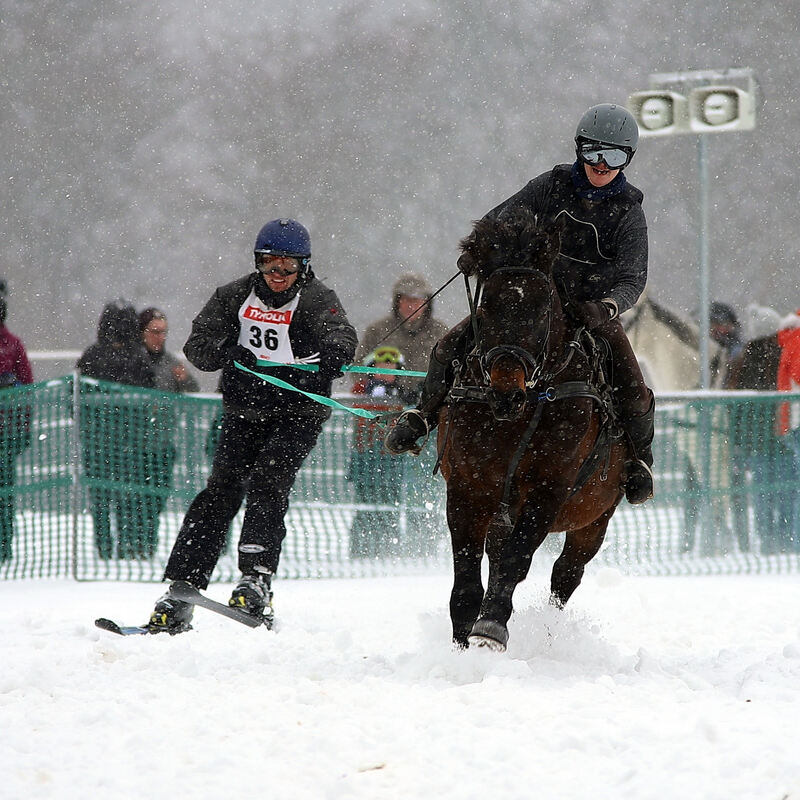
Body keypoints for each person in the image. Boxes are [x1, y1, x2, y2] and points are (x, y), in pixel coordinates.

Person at [385, 103, 655, 505]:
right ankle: (423, 416)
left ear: (627, 159)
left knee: (632, 380)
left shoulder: (629, 212)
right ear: (579, 149)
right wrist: (477, 253)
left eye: (614, 156)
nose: (601, 164)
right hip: (532, 303)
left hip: (590, 310)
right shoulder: (550, 186)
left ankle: (640, 459)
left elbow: (633, 278)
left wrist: (606, 307)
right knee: (450, 344)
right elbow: (496, 220)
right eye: (593, 152)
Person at [148, 218, 357, 633]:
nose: (278, 275)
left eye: (288, 267)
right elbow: (198, 346)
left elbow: (342, 337)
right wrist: (228, 350)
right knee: (220, 491)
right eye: (269, 265)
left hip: (298, 413)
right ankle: (182, 586)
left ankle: (256, 579)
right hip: (245, 410)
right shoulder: (233, 296)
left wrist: (333, 355)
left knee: (267, 481)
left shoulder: (317, 299)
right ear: (257, 262)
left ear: (304, 267)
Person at [76, 299, 156, 558]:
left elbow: (76, 396)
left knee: (107, 495)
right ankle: (118, 544)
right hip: (121, 440)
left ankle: (111, 545)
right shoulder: (136, 357)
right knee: (122, 495)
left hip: (107, 440)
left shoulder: (95, 355)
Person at [727, 305, 795, 553]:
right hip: (783, 434)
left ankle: (767, 541)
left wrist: (739, 441)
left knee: (762, 493)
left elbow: (735, 405)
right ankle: (786, 539)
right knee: (787, 490)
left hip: (755, 440)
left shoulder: (743, 359)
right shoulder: (784, 353)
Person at [134, 308, 200, 558]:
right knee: (134, 499)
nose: (160, 337)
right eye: (155, 331)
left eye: (163, 332)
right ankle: (132, 543)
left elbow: (194, 392)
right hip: (133, 446)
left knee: (157, 498)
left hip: (162, 445)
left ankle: (148, 544)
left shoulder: (171, 363)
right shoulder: (133, 360)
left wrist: (184, 380)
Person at [348, 346, 415, 558]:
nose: (386, 371)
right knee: (365, 502)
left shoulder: (402, 393)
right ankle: (361, 548)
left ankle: (388, 548)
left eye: (391, 367)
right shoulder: (362, 389)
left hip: (392, 459)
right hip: (365, 455)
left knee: (390, 502)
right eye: (381, 366)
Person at [355, 273, 449, 403]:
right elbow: (356, 368)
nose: (411, 306)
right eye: (406, 300)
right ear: (397, 301)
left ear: (426, 303)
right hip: (383, 405)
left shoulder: (440, 332)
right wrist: (373, 373)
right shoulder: (377, 330)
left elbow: (451, 369)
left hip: (428, 404)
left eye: (416, 300)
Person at [0, 294, 34, 561]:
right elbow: (27, 388)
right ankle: (4, 544)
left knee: (5, 492)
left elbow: (26, 387)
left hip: (7, 432)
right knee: (5, 493)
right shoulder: (12, 345)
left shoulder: (11, 345)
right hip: (9, 432)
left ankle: (4, 544)